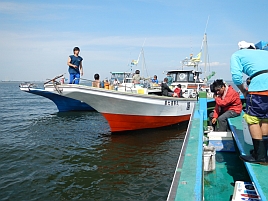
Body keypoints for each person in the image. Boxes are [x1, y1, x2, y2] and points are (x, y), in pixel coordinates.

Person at [231, 40, 268, 164]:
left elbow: (236, 76)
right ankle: (263, 153)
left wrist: (243, 91)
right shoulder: (263, 53)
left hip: (259, 89)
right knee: (265, 118)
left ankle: (260, 157)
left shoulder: (237, 55)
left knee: (253, 119)